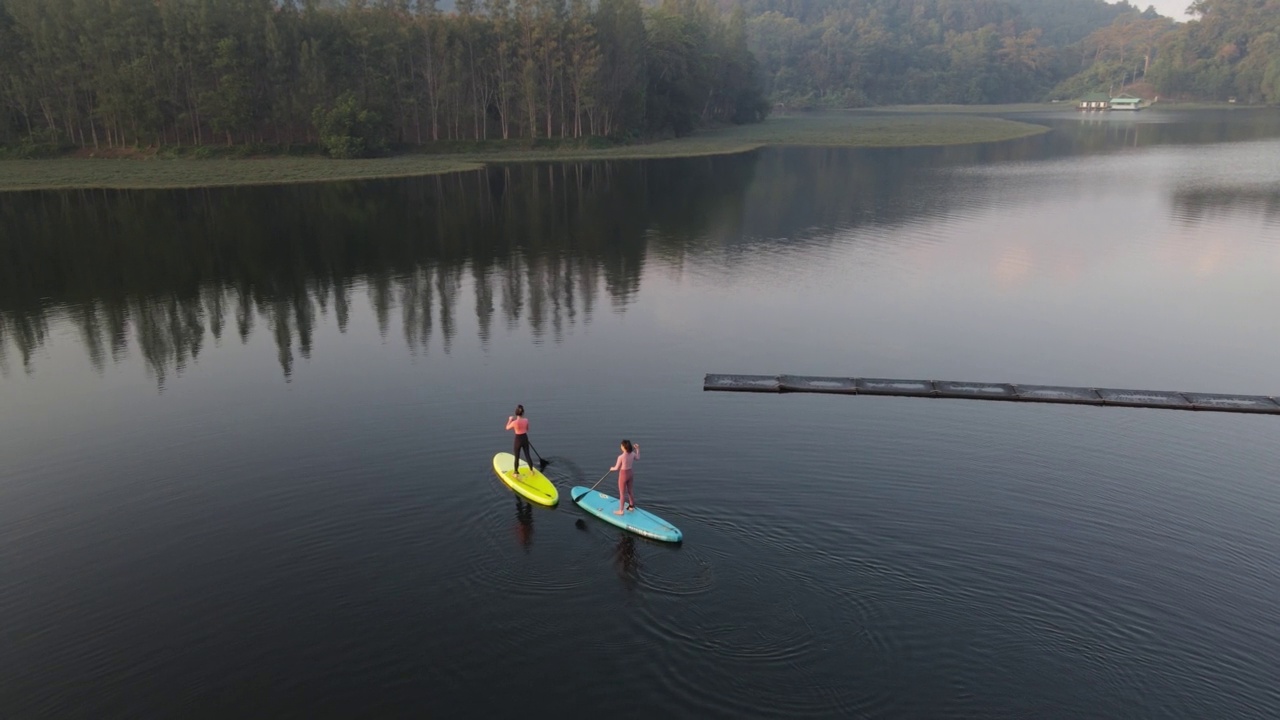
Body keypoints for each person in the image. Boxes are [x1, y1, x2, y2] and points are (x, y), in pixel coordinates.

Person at [609, 439, 640, 515]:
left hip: (623, 475)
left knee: (622, 493)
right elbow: (638, 458)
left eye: (621, 445)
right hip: (630, 473)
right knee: (630, 491)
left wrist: (611, 468)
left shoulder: (621, 457)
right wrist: (638, 449)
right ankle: (631, 506)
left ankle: (621, 511)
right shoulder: (632, 454)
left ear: (623, 447)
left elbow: (616, 468)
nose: (620, 446)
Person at [506, 405, 533, 476]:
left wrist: (510, 420)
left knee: (517, 457)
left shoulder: (514, 422)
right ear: (523, 413)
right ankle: (531, 471)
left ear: (516, 413)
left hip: (518, 439)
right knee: (527, 455)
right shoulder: (526, 420)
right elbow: (527, 429)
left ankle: (516, 473)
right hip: (525, 438)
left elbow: (507, 428)